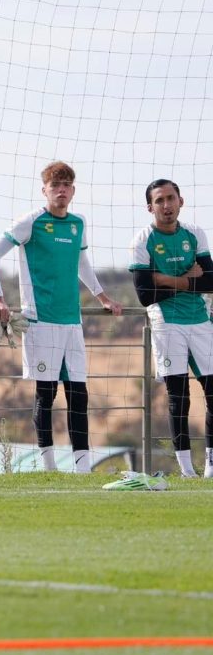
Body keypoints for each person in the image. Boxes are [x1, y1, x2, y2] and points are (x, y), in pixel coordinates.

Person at [0, 161, 123, 473]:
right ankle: (48, 466)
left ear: (73, 191)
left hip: (72, 322)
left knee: (78, 394)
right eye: (55, 186)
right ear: (44, 190)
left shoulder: (78, 223)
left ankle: (82, 467)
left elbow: (82, 262)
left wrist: (102, 297)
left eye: (66, 186)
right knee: (46, 393)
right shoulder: (31, 222)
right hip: (40, 321)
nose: (61, 191)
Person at [129, 179, 213, 478]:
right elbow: (145, 295)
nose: (166, 205)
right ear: (150, 207)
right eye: (159, 200)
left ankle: (210, 467)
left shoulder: (195, 233)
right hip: (166, 322)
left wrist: (165, 279)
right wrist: (188, 278)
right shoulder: (142, 240)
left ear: (181, 201)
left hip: (201, 319)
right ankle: (187, 470)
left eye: (171, 198)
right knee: (179, 397)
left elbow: (210, 281)